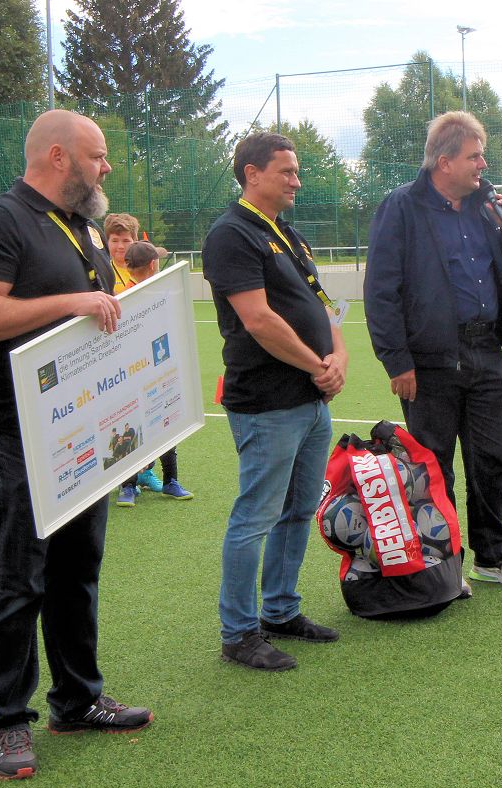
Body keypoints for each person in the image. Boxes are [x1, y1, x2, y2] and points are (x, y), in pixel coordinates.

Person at [0, 109, 149, 781]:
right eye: (98, 155)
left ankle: (77, 699)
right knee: (20, 573)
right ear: (58, 156)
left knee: (77, 567)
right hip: (18, 425)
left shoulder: (83, 225)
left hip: (82, 422)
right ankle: (8, 719)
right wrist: (71, 304)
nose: (107, 167)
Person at [363, 111, 502, 589]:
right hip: (430, 360)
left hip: (486, 350)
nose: (483, 164)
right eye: (474, 156)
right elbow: (381, 290)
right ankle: (444, 563)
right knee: (434, 466)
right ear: (444, 162)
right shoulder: (401, 206)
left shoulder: (486, 206)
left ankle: (493, 556)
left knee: (491, 460)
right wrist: (396, 361)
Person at [202, 131, 344, 672]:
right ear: (252, 173)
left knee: (299, 509)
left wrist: (338, 357)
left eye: (296, 171)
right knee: (255, 516)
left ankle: (280, 611)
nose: (296, 181)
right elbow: (258, 320)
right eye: (287, 171)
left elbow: (325, 305)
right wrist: (317, 365)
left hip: (310, 400)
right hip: (266, 402)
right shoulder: (231, 234)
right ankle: (239, 634)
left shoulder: (287, 233)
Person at [115, 240, 191, 504]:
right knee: (134, 428)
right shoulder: (128, 297)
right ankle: (129, 485)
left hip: (158, 371)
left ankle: (169, 481)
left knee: (165, 424)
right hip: (136, 375)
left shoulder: (156, 292)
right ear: (152, 264)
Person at [103, 212, 140, 293]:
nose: (120, 246)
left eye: (126, 241)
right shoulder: (103, 273)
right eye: (115, 241)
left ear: (135, 242)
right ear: (107, 242)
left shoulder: (144, 269)